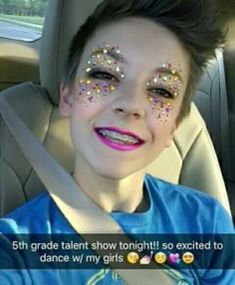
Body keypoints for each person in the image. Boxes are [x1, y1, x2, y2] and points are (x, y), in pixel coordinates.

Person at [0, 0, 234, 284]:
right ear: (68, 97)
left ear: (174, 126)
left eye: (161, 90)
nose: (131, 104)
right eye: (104, 74)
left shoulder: (206, 224)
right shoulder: (17, 249)